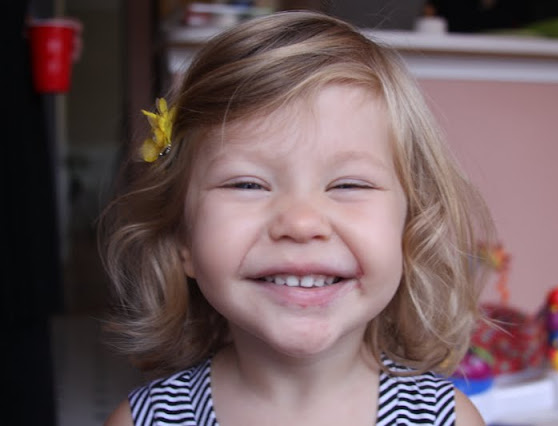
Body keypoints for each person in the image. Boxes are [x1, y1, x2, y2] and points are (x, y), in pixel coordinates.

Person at [100, 10, 493, 426]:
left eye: (348, 184)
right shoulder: (143, 421)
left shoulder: (448, 419)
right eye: (247, 185)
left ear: (408, 230)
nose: (301, 223)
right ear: (184, 236)